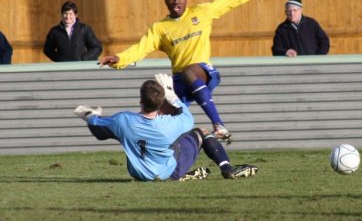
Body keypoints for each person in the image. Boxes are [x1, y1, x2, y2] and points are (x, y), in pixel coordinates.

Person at [98, 0, 287, 142]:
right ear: (166, 2)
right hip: (180, 81)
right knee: (162, 120)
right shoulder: (160, 28)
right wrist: (120, 59)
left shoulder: (202, 12)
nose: (176, 1)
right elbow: (141, 48)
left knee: (190, 72)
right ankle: (191, 164)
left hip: (202, 71)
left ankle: (218, 124)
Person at [73, 74, 258, 181]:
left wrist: (90, 116)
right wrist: (171, 94)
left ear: (140, 100)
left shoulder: (124, 120)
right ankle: (226, 168)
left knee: (116, 132)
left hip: (139, 174)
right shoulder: (171, 124)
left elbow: (99, 130)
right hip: (168, 172)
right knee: (201, 132)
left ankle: (184, 175)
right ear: (161, 103)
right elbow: (186, 116)